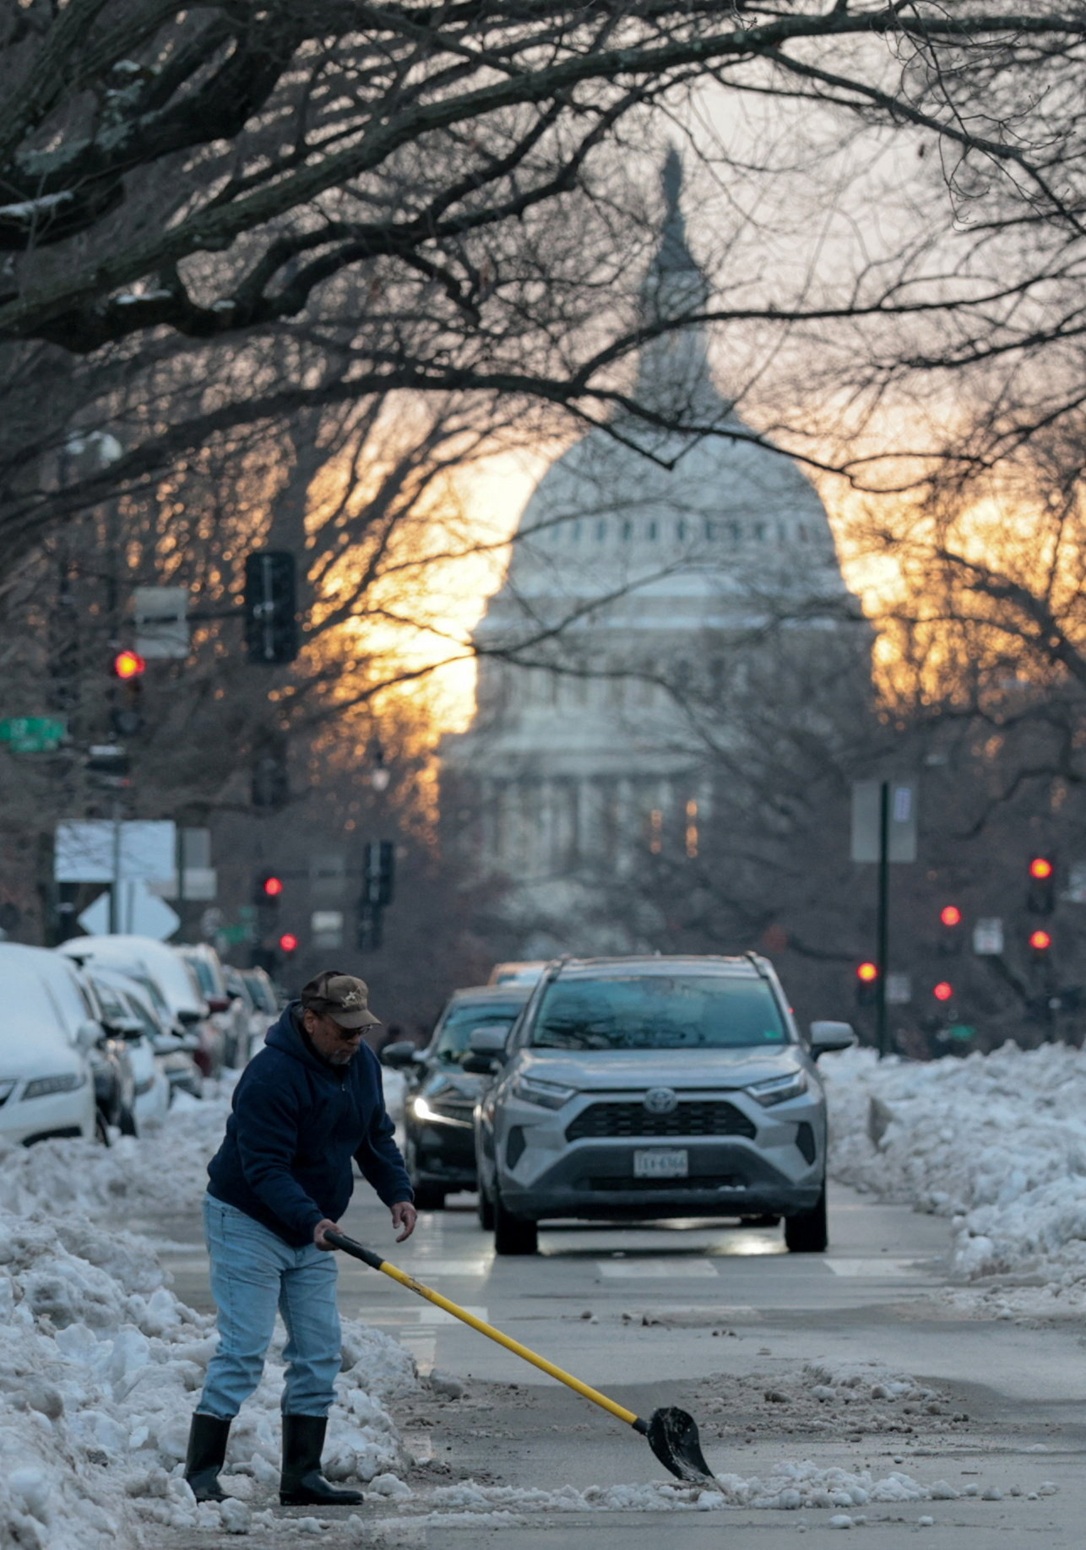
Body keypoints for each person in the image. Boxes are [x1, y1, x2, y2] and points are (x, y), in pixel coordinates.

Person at [183, 969, 417, 1508]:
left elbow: (374, 1135)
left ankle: (302, 1477)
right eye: (344, 1029)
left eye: (361, 1029)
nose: (355, 1040)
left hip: (313, 1228)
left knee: (318, 1352)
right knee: (243, 1349)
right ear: (311, 1021)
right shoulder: (271, 1076)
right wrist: (311, 1218)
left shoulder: (362, 1065)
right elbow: (264, 1168)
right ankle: (200, 1473)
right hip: (248, 1220)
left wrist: (397, 1192)